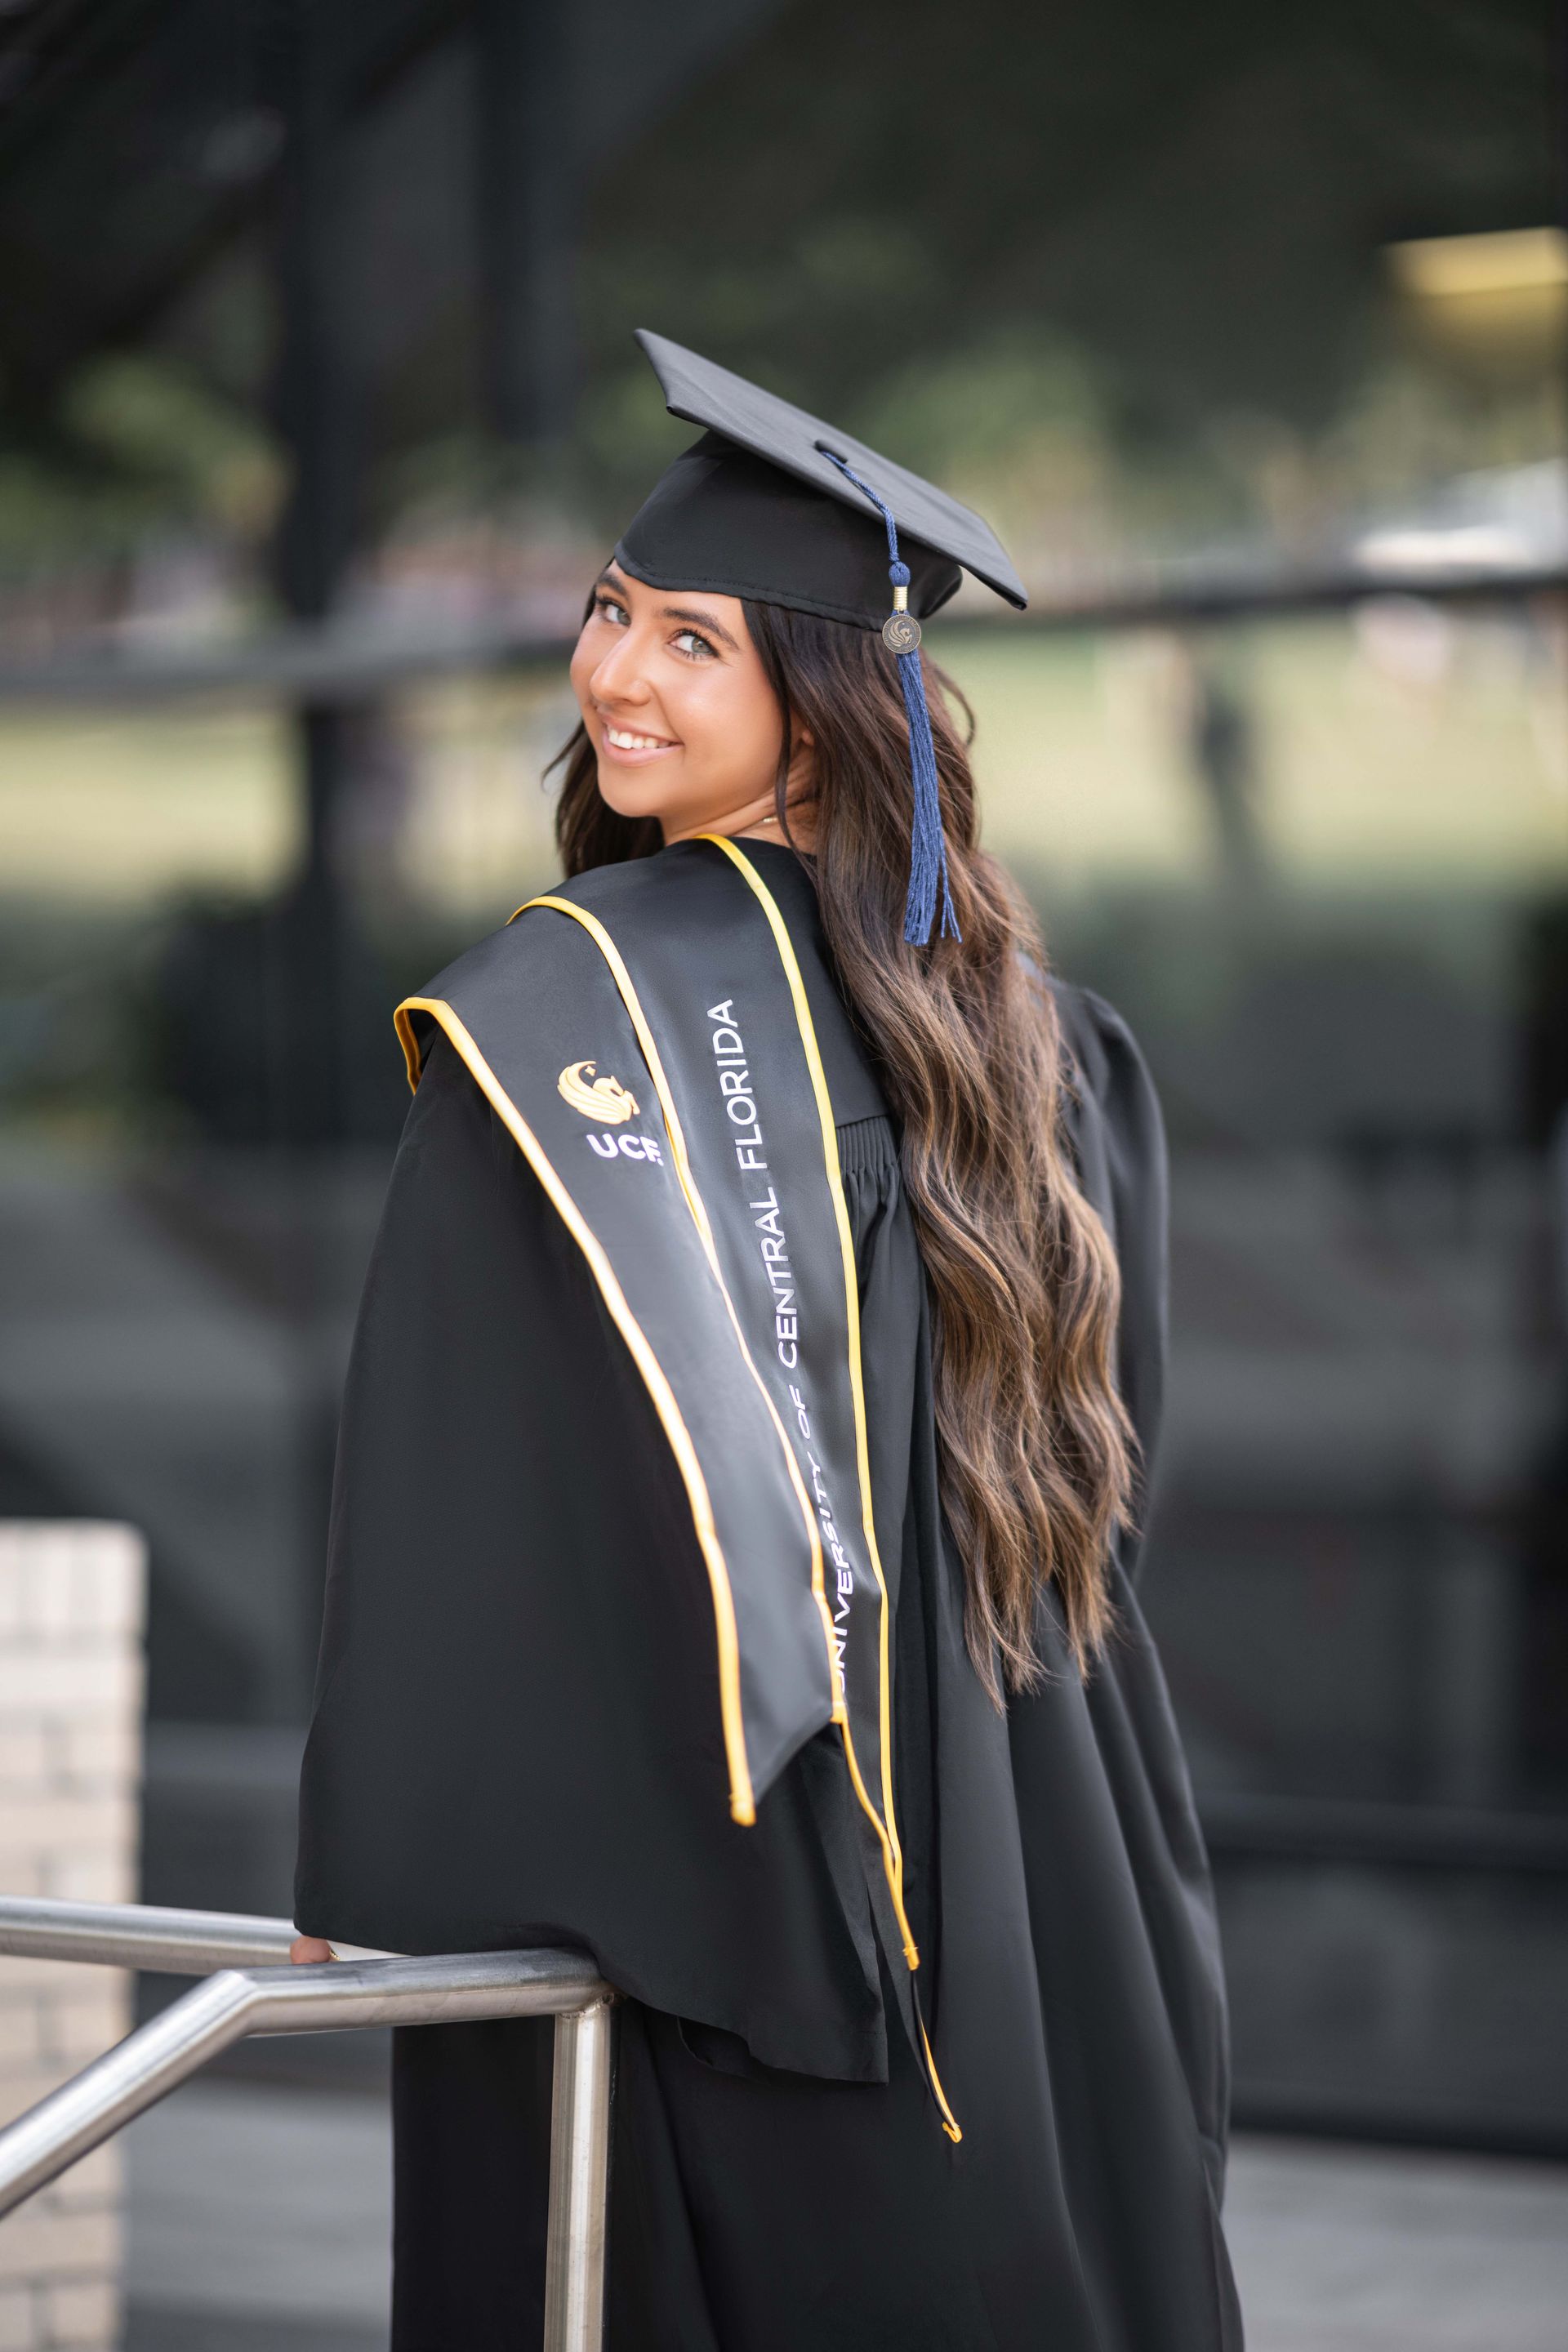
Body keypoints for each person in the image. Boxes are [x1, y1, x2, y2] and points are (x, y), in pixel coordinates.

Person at [292, 332, 1243, 2352]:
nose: (614, 677)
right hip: (1049, 1875)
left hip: (738, 1894)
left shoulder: (562, 1036)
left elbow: (468, 1506)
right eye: (609, 614)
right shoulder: (1032, 1038)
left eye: (692, 643)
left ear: (820, 709)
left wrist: (379, 1854)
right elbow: (1111, 1487)